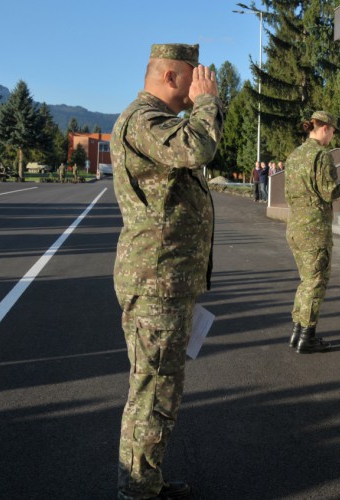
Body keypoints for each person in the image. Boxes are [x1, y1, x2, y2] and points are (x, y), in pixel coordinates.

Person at [111, 43, 224, 500]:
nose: (201, 85)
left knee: (161, 388)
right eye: (194, 77)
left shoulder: (157, 121)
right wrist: (208, 103)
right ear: (172, 77)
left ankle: (147, 481)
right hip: (155, 281)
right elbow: (198, 148)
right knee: (153, 391)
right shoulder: (145, 120)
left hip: (167, 280)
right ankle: (137, 490)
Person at [285, 111, 340, 353]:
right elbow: (328, 192)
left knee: (306, 281)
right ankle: (307, 336)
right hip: (315, 228)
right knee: (316, 282)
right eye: (333, 131)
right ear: (325, 128)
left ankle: (297, 331)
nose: (333, 136)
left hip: (295, 225)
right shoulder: (321, 156)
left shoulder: (295, 155)